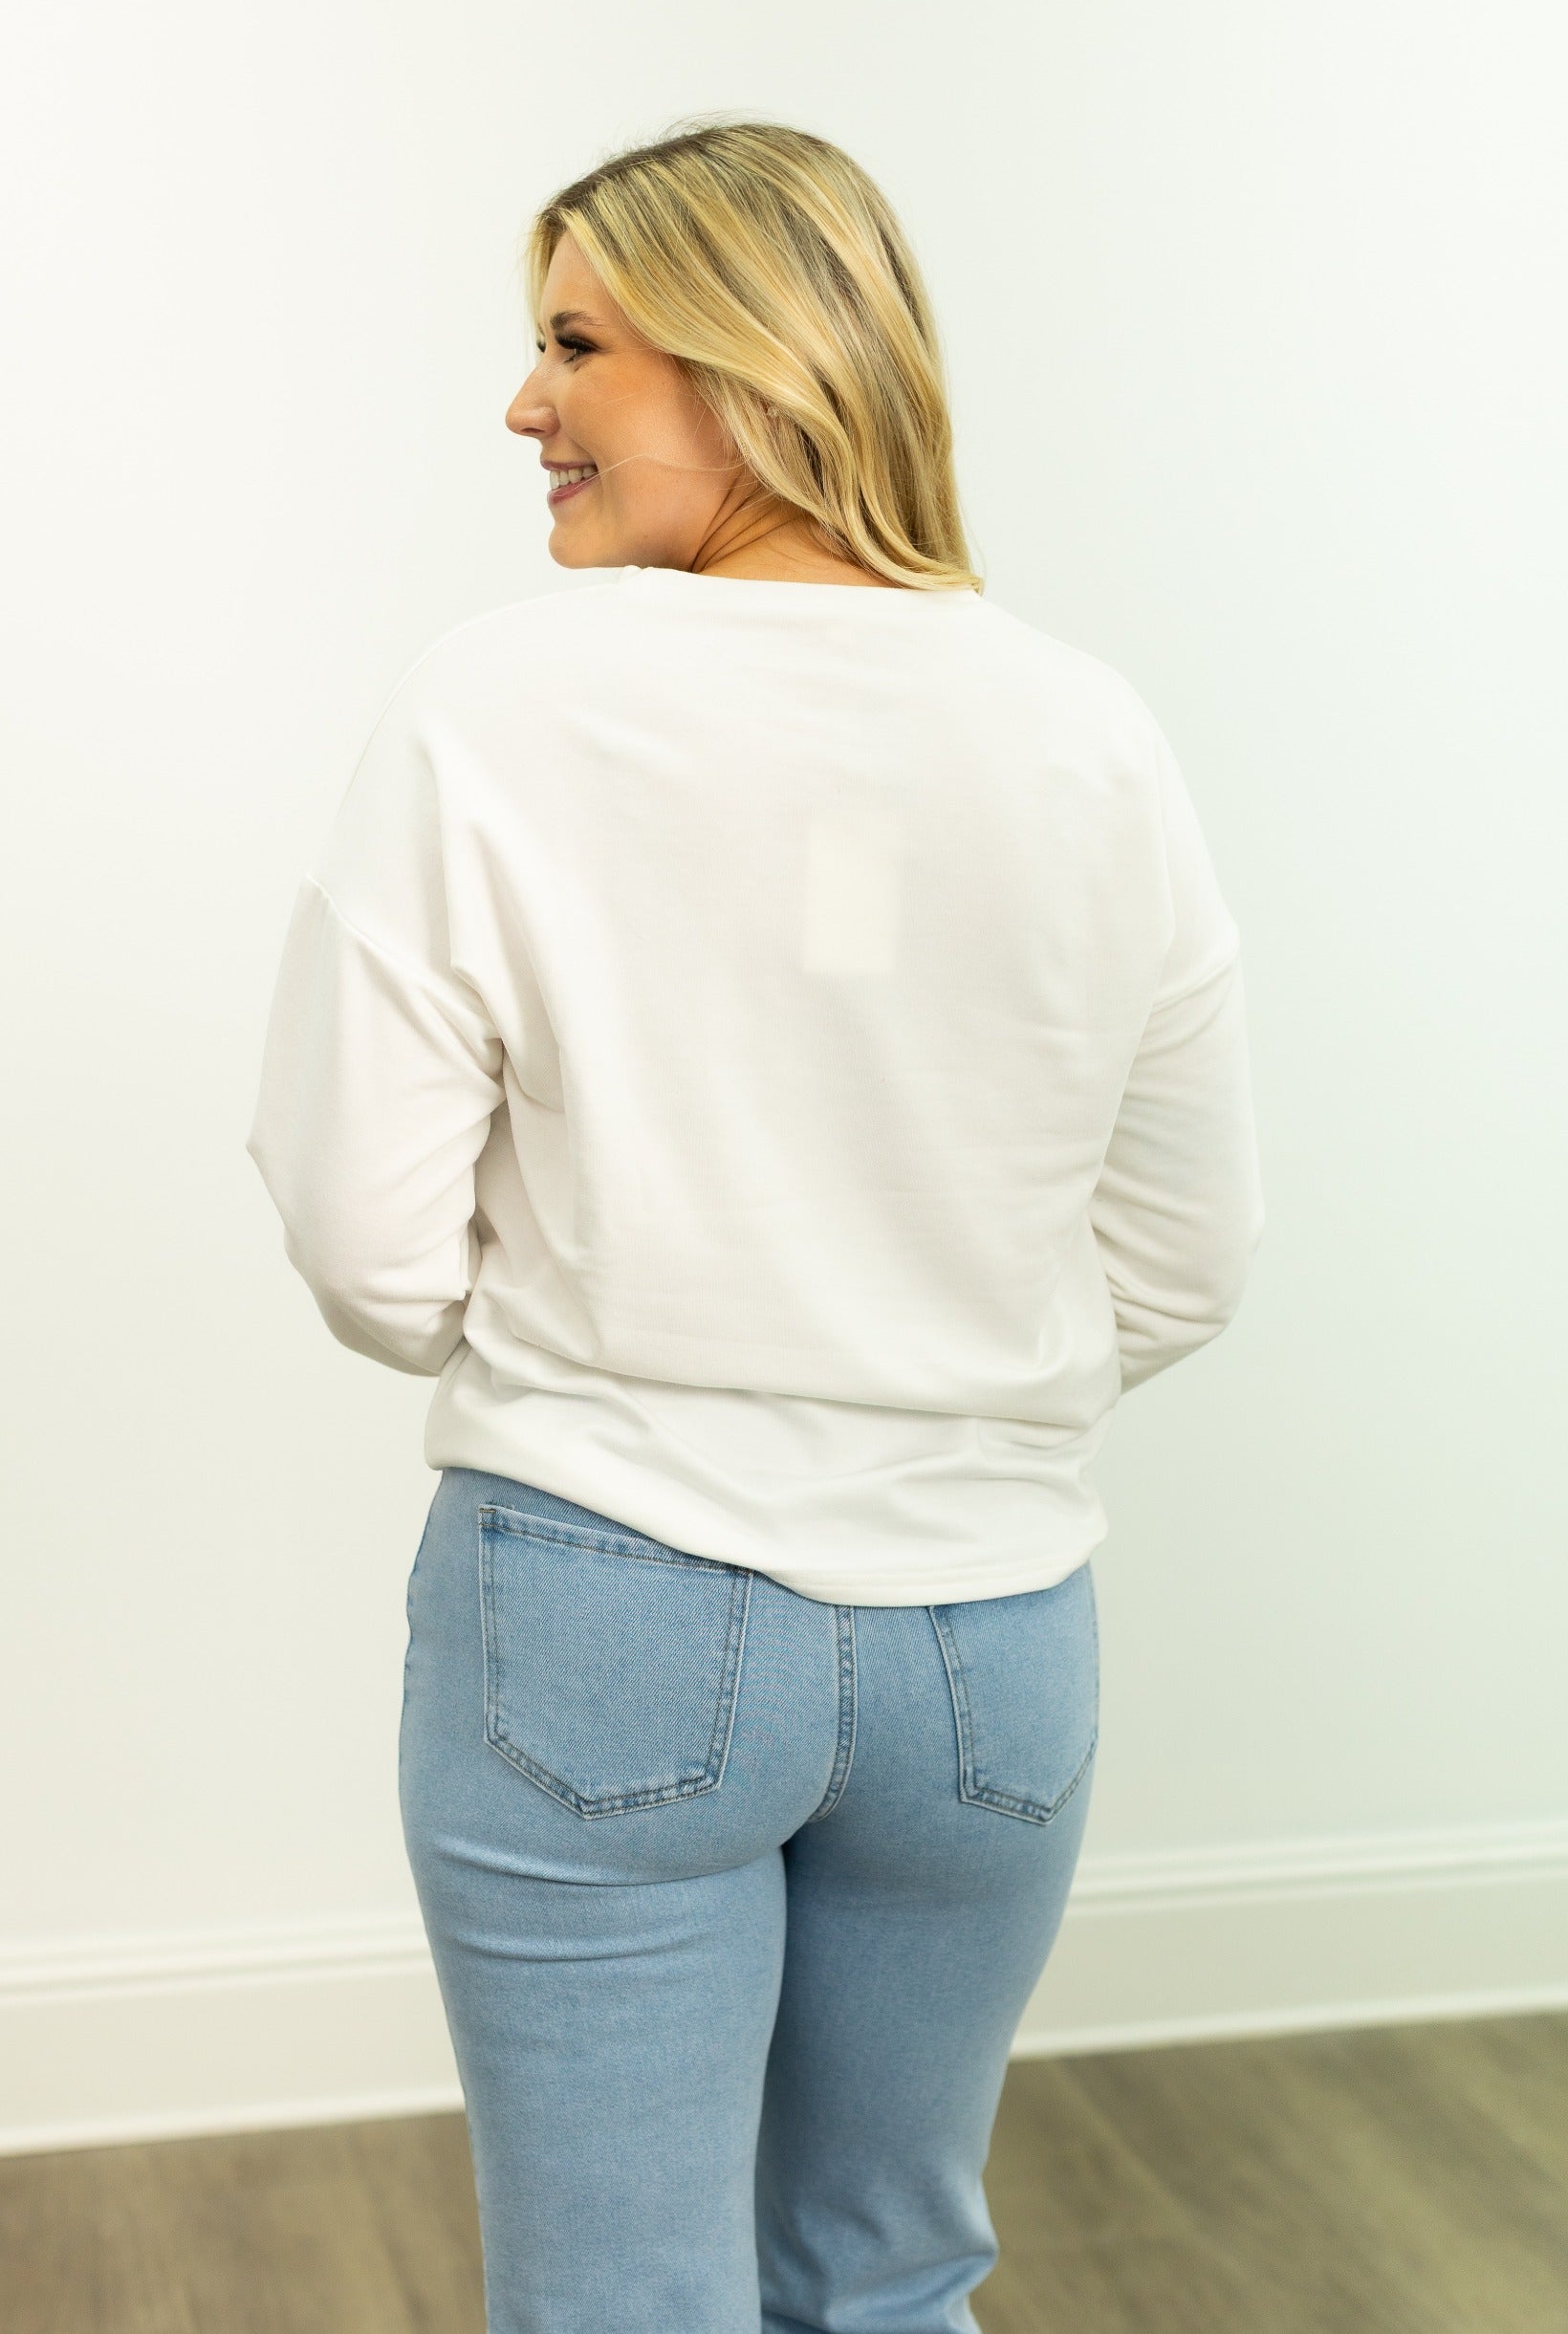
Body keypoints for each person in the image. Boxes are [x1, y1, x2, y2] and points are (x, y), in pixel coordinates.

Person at [247, 118, 1265, 2334]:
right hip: (994, 1646)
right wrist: (927, 1375)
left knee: (620, 2301)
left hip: (602, 1601)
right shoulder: (1088, 735)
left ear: (751, 359)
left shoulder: (503, 698)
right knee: (888, 2284)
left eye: (575, 345)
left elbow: (356, 1225)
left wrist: (600, 1347)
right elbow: (1190, 1254)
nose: (523, 404)